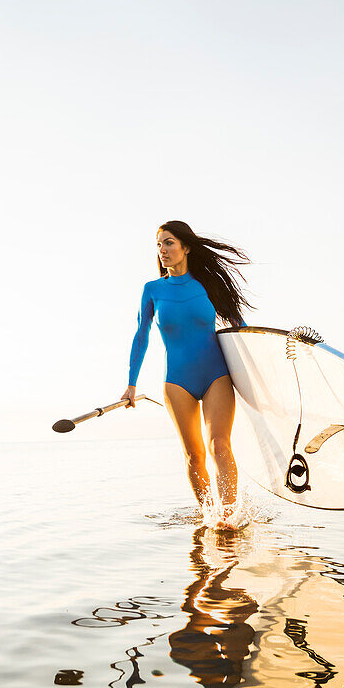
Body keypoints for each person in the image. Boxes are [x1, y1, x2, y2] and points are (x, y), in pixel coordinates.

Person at [122, 220, 252, 530]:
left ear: (186, 247)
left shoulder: (205, 285)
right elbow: (141, 336)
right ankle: (210, 516)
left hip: (216, 374)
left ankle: (228, 518)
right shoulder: (152, 290)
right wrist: (131, 384)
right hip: (177, 382)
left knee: (219, 445)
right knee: (194, 456)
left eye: (168, 243)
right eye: (159, 245)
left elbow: (239, 326)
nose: (162, 250)